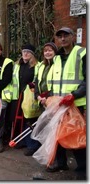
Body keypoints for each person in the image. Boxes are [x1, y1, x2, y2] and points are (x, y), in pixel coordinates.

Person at [45, 27, 86, 177]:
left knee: (75, 135)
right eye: (60, 36)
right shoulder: (56, 58)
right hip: (59, 103)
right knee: (58, 134)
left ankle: (83, 169)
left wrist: (74, 95)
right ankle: (60, 162)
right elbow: (54, 81)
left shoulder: (82, 53)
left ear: (72, 36)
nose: (63, 38)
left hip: (75, 103)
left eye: (66, 35)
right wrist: (49, 97)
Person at [8, 44, 41, 156]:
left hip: (30, 97)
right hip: (19, 96)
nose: (25, 54)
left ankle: (33, 145)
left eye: (28, 52)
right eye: (23, 52)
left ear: (32, 54)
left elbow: (39, 81)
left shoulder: (37, 66)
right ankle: (22, 140)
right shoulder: (17, 65)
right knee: (20, 120)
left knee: (30, 120)